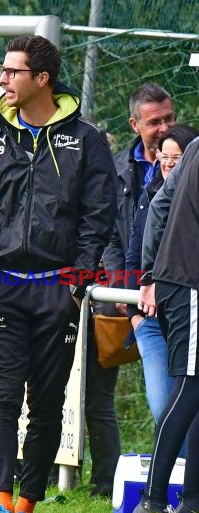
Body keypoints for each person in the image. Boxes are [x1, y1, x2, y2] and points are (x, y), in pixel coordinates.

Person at [0, 34, 117, 513]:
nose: (2, 80)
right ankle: (0, 503)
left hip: (57, 293)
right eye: (3, 71)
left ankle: (26, 508)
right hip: (1, 288)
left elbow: (99, 216)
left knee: (46, 405)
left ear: (41, 78)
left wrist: (75, 284)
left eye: (12, 72)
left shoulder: (86, 139)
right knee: (2, 398)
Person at [93, 84, 176, 493]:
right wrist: (129, 297)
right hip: (140, 307)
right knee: (165, 404)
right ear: (134, 124)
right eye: (154, 121)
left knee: (180, 404)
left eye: (169, 118)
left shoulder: (189, 160)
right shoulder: (116, 170)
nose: (164, 128)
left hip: (181, 303)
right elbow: (112, 237)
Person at [125, 124, 199, 430]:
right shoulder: (149, 196)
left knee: (186, 401)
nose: (168, 163)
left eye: (176, 157)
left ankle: (178, 477)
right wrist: (136, 309)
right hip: (154, 316)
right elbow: (132, 251)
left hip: (183, 307)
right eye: (162, 156)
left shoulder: (186, 197)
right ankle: (163, 478)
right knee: (167, 403)